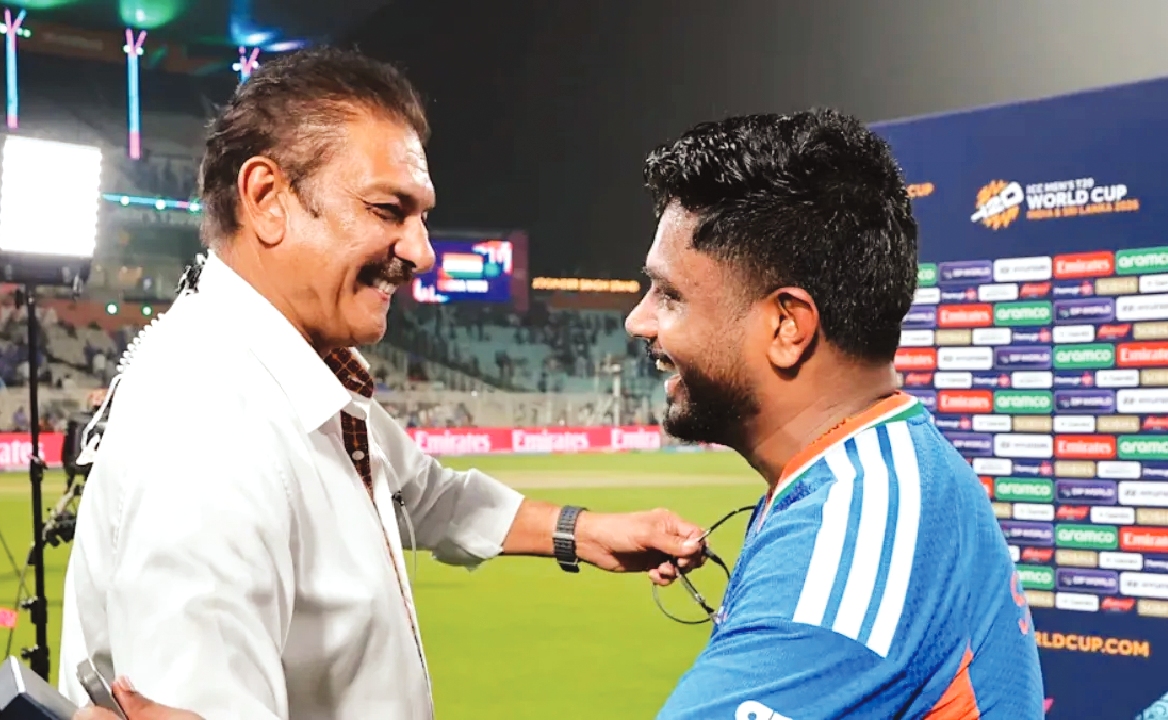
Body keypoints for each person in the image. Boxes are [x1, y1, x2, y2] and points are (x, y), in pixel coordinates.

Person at [59, 47, 706, 720]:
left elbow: (426, 496)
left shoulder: (293, 373)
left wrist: (583, 532)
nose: (421, 251)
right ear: (267, 199)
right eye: (387, 209)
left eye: (420, 216)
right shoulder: (209, 429)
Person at [626, 110, 1044, 719]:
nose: (638, 321)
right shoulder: (884, 465)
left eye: (670, 296)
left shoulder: (847, 553)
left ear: (787, 326)